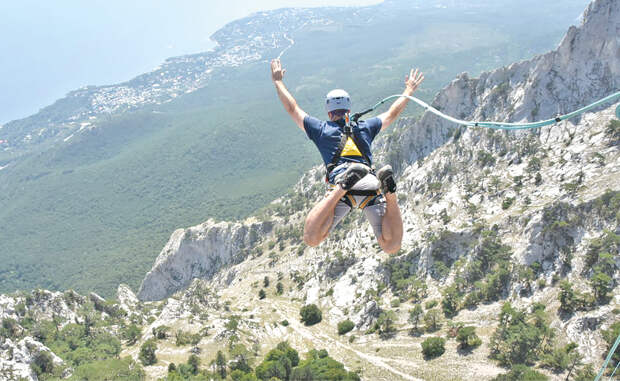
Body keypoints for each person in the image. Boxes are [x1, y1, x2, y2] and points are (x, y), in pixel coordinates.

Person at [270, 58, 424, 254]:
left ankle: (342, 186)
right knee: (392, 246)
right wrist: (409, 90)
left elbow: (292, 108)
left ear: (328, 111)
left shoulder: (321, 129)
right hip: (370, 182)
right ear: (349, 110)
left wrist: (278, 81)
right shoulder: (366, 126)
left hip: (342, 188)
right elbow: (392, 114)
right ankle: (390, 193)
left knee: (312, 238)